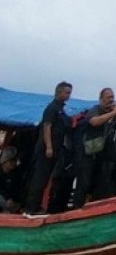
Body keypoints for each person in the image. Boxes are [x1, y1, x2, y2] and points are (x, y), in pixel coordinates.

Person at [25, 81, 73, 214]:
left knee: (45, 179)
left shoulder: (61, 109)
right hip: (47, 149)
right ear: (59, 92)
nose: (69, 95)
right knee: (39, 178)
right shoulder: (52, 108)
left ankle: (37, 206)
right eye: (66, 92)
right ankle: (31, 208)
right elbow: (47, 126)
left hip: (57, 149)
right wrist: (49, 146)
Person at [73, 88, 116, 207]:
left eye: (112, 97)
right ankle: (77, 208)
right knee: (83, 183)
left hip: (101, 154)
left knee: (98, 183)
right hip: (87, 153)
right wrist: (113, 113)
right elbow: (94, 122)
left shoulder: (113, 112)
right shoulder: (95, 110)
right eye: (108, 97)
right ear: (101, 99)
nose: (111, 100)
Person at [0, 147, 23, 213]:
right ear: (4, 161)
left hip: (10, 199)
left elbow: (17, 188)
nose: (14, 163)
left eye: (15, 161)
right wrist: (7, 199)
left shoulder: (16, 173)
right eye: (11, 161)